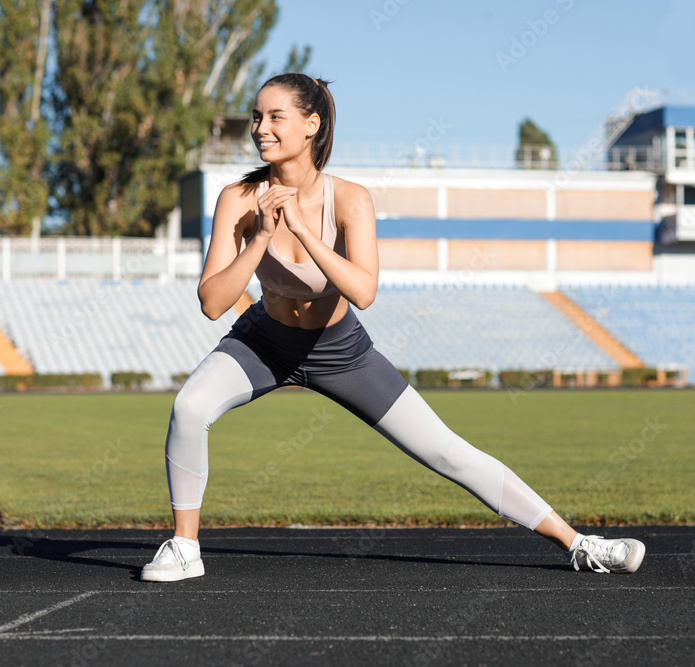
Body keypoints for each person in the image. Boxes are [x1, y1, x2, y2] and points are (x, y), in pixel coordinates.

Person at [141, 73, 644, 582]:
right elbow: (211, 302)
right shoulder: (239, 198)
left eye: (275, 117)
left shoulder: (351, 200)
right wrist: (262, 236)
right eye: (256, 117)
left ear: (311, 124)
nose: (260, 128)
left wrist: (301, 231)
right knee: (189, 407)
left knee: (446, 450)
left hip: (341, 351)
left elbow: (363, 291)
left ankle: (579, 544)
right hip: (263, 341)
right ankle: (186, 549)